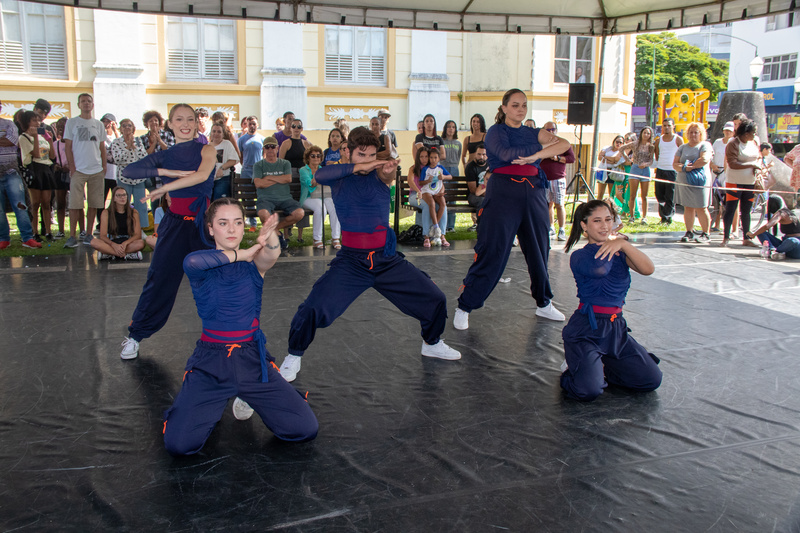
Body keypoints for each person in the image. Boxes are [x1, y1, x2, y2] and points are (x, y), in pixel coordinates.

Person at [279, 127, 461, 382]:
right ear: (349, 153)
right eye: (362, 155)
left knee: (435, 298)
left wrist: (383, 170)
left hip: (385, 259)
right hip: (352, 262)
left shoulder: (380, 176)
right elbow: (320, 174)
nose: (369, 160)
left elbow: (386, 176)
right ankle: (294, 355)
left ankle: (431, 343)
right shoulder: (340, 177)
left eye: (373, 155)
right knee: (312, 308)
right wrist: (364, 164)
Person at [162, 199, 318, 456]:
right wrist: (242, 254)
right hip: (211, 362)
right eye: (223, 223)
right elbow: (191, 263)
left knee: (305, 428)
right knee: (179, 445)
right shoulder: (201, 262)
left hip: (251, 361)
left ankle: (247, 395)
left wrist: (269, 237)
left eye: (237, 222)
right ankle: (211, 402)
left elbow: (271, 254)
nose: (232, 229)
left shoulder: (253, 265)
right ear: (211, 229)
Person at [453, 89, 571, 331]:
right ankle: (465, 305)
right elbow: (506, 155)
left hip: (535, 192)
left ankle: (544, 302)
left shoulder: (532, 131)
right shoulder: (496, 131)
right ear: (504, 107)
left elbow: (566, 146)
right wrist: (540, 150)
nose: (520, 109)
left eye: (524, 105)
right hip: (503, 194)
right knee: (493, 251)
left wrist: (537, 154)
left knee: (540, 249)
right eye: (515, 105)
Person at [118, 103, 217, 360]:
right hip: (174, 226)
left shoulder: (207, 149)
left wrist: (163, 189)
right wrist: (164, 172)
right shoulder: (166, 155)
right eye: (179, 119)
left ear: (196, 124)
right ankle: (135, 335)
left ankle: (226, 339)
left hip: (203, 227)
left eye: (190, 119)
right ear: (170, 124)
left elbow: (201, 175)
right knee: (159, 281)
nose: (185, 124)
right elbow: (129, 171)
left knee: (217, 283)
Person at [559, 200, 662, 402]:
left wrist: (623, 244)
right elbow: (600, 269)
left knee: (650, 379)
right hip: (587, 330)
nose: (604, 225)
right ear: (584, 226)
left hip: (616, 329)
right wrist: (612, 243)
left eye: (608, 219)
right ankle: (573, 370)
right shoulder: (580, 256)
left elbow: (648, 269)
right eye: (597, 221)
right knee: (588, 391)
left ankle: (601, 367)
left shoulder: (620, 251)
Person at [63, 93, 108, 248]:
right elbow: (67, 146)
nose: (86, 104)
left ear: (93, 104)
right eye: (83, 101)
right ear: (79, 104)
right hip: (79, 170)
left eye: (89, 101)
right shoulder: (72, 123)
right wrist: (72, 166)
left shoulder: (98, 124)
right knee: (75, 204)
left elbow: (102, 147)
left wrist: (104, 166)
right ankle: (72, 236)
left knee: (94, 203)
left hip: (96, 170)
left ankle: (89, 234)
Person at [0, 100, 40, 249]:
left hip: (11, 172)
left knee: (20, 205)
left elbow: (11, 140)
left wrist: (6, 140)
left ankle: (27, 238)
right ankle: (3, 238)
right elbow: (5, 140)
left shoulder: (9, 124)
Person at [253, 136, 304, 250]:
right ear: (264, 149)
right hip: (265, 199)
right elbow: (258, 183)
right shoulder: (259, 165)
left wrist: (269, 177)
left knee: (299, 213)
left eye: (273, 147)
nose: (270, 149)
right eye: (267, 147)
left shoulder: (285, 163)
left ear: (277, 148)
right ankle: (277, 236)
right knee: (263, 214)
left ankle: (275, 230)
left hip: (285, 198)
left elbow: (288, 179)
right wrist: (279, 178)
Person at [722, 118, 762, 248]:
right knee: (731, 209)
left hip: (749, 182)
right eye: (753, 132)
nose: (755, 134)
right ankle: (726, 237)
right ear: (746, 133)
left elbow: (759, 157)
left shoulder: (754, 143)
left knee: (746, 211)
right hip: (734, 181)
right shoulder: (733, 143)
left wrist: (758, 166)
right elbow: (732, 163)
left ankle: (746, 237)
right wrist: (751, 165)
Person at [18, 110, 56, 242]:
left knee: (47, 202)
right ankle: (34, 232)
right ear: (27, 122)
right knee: (35, 204)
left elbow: (51, 156)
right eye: (34, 120)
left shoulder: (42, 136)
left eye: (38, 120)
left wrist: (50, 140)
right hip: (34, 170)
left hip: (46, 170)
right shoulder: (24, 137)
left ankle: (48, 232)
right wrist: (34, 138)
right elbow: (36, 154)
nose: (38, 123)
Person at [673, 122, 713, 243]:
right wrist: (685, 167)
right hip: (685, 182)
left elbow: (704, 159)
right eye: (691, 132)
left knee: (702, 207)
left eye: (696, 132)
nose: (693, 135)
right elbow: (675, 164)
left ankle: (706, 233)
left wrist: (691, 166)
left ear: (701, 134)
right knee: (688, 207)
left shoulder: (705, 145)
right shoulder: (682, 148)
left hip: (700, 182)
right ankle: (689, 231)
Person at [299, 145, 341, 249]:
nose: (316, 158)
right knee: (320, 208)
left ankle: (335, 238)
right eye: (313, 156)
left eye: (318, 156)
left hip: (323, 195)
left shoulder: (323, 169)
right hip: (308, 197)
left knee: (335, 207)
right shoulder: (303, 170)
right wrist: (320, 179)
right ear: (308, 157)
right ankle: (317, 239)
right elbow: (310, 183)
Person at [539, 122, 575, 241]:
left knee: (559, 204)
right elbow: (535, 158)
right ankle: (551, 228)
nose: (550, 132)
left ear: (556, 130)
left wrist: (558, 158)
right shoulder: (541, 144)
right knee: (548, 204)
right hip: (544, 178)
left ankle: (562, 229)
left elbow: (571, 158)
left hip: (558, 178)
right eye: (547, 130)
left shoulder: (563, 143)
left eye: (552, 129)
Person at [279, 118, 312, 241]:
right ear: (290, 128)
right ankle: (287, 234)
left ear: (302, 129)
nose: (296, 129)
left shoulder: (306, 143)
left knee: (302, 202)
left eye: (299, 126)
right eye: (294, 126)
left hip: (303, 176)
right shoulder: (286, 143)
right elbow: (281, 161)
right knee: (288, 204)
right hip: (290, 176)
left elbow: (312, 158)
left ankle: (300, 235)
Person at [111, 118, 149, 225]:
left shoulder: (138, 141)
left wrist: (134, 147)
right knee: (122, 204)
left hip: (139, 177)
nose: (127, 128)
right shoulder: (116, 142)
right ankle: (124, 227)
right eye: (124, 126)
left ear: (133, 128)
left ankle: (140, 228)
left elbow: (143, 156)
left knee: (141, 204)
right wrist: (128, 148)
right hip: (124, 177)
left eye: (129, 125)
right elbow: (117, 159)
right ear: (120, 129)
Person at [91, 186, 145, 260]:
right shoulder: (106, 212)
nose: (122, 197)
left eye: (124, 195)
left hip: (127, 242)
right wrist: (114, 245)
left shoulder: (134, 212)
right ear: (113, 198)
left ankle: (109, 254)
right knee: (94, 242)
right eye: (118, 195)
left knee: (140, 243)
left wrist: (125, 243)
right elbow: (103, 236)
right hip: (112, 241)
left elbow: (137, 235)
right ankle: (125, 254)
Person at [747, 196, 800, 260]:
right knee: (761, 232)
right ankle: (772, 249)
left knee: (793, 241)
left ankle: (775, 251)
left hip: (796, 248)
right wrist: (754, 234)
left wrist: (753, 235)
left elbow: (767, 226)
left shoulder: (783, 213)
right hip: (785, 246)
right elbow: (767, 226)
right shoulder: (782, 213)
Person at [419, 148, 452, 247]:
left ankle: (435, 227)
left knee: (443, 204)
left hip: (437, 191)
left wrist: (444, 177)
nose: (433, 160)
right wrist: (427, 181)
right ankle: (436, 226)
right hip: (427, 191)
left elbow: (450, 176)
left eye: (435, 158)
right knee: (431, 204)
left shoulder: (441, 168)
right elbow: (420, 182)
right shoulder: (426, 169)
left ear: (439, 159)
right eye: (431, 157)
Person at [622, 126, 655, 223]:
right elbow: (622, 148)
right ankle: (631, 217)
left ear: (650, 135)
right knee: (632, 194)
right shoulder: (635, 144)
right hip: (635, 168)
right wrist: (629, 160)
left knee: (644, 196)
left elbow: (651, 160)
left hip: (645, 170)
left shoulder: (651, 146)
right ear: (641, 133)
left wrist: (646, 164)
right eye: (644, 132)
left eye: (648, 133)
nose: (646, 135)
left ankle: (644, 217)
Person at [653, 117, 683, 224]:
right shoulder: (658, 140)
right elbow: (657, 154)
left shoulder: (678, 139)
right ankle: (662, 216)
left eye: (669, 125)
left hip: (672, 171)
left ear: (673, 126)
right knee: (659, 194)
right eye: (664, 125)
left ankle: (668, 217)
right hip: (661, 169)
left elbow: (682, 154)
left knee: (670, 195)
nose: (666, 128)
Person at [237, 116, 265, 226]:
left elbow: (264, 155)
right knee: (247, 196)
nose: (252, 126)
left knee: (260, 196)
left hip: (258, 171)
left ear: (257, 125)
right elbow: (240, 155)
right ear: (246, 125)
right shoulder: (242, 139)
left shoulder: (262, 139)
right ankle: (252, 223)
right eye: (250, 124)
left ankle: (263, 220)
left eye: (254, 124)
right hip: (246, 170)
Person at [710, 122, 735, 232]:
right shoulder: (717, 142)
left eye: (730, 130)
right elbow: (711, 155)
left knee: (726, 202)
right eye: (726, 130)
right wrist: (712, 165)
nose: (727, 132)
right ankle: (716, 224)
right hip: (716, 172)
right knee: (716, 201)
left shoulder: (734, 143)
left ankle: (728, 227)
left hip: (728, 174)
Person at [209, 123, 239, 201]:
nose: (216, 134)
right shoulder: (207, 146)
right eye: (214, 131)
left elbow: (234, 160)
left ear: (223, 134)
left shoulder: (227, 144)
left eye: (219, 132)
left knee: (219, 198)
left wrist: (222, 168)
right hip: (210, 179)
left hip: (223, 178)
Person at [441, 120, 462, 232]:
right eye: (448, 126)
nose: (450, 129)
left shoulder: (458, 143)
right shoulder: (442, 142)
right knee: (443, 196)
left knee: (453, 197)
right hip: (444, 168)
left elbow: (459, 157)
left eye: (453, 127)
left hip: (454, 169)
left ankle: (451, 225)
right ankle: (443, 223)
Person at [52, 117, 71, 239]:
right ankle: (61, 229)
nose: (61, 128)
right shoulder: (54, 144)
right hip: (59, 174)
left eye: (63, 126)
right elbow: (50, 159)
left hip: (72, 173)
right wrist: (56, 165)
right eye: (58, 126)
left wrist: (70, 166)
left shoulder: (74, 143)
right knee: (60, 202)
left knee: (76, 203)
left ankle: (81, 229)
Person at [595, 135, 625, 201]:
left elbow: (615, 160)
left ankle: (611, 209)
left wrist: (605, 157)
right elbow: (600, 157)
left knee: (611, 194)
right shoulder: (607, 148)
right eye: (617, 141)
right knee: (600, 193)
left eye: (621, 142)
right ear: (614, 141)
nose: (618, 144)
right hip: (603, 170)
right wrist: (611, 159)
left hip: (613, 172)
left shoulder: (621, 152)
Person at [464, 143, 489, 217]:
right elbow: (472, 190)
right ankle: (481, 224)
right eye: (479, 154)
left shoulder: (490, 165)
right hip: (474, 195)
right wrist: (486, 194)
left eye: (484, 154)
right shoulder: (470, 167)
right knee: (482, 201)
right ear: (475, 154)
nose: (481, 157)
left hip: (488, 193)